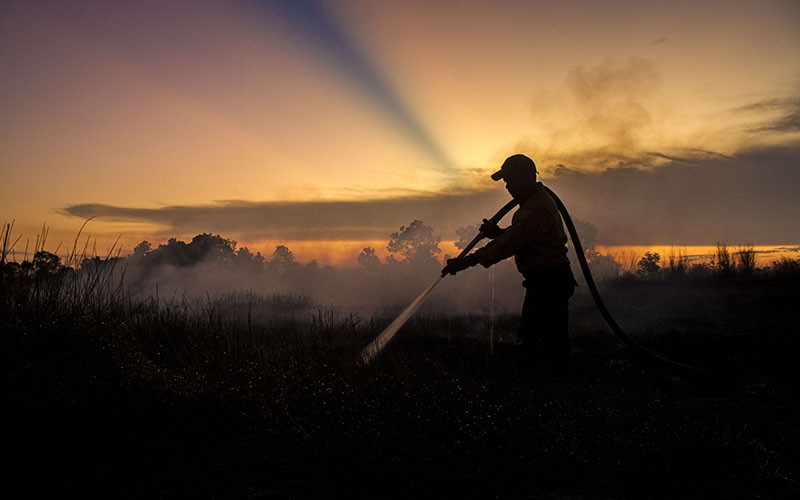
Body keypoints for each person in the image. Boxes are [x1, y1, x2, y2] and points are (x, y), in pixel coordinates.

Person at [442, 154, 577, 374]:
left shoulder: (536, 208)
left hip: (550, 282)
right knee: (543, 338)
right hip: (544, 281)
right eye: (505, 182)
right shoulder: (531, 205)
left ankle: (552, 384)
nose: (507, 186)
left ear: (526, 178)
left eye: (510, 180)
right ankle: (551, 379)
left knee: (541, 339)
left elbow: (511, 242)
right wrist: (497, 233)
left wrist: (469, 260)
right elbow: (520, 236)